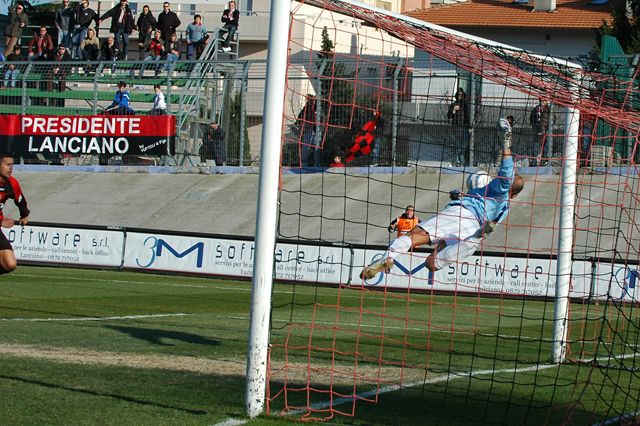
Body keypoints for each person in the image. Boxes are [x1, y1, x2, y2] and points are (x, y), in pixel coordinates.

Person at [360, 117, 524, 279]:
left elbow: (506, 174)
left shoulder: (498, 189)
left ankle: (388, 257)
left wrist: (505, 145)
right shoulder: (504, 208)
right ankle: (477, 236)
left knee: (415, 235)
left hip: (460, 215)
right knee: (431, 264)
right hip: (472, 232)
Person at [0, 152, 30, 275]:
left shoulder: (11, 183)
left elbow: (20, 199)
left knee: (10, 264)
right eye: (7, 165)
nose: (11, 168)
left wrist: (24, 214)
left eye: (12, 165)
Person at [447, 87, 471, 167]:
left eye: (461, 95)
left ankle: (463, 162)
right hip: (456, 128)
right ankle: (459, 162)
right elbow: (449, 116)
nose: (460, 96)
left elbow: (468, 115)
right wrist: (453, 110)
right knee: (458, 146)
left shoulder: (466, 105)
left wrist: (469, 126)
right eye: (458, 95)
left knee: (464, 146)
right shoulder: (453, 104)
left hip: (464, 128)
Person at [296, 94, 316, 166]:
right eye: (311, 100)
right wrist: (302, 125)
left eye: (313, 100)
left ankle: (315, 163)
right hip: (308, 129)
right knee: (306, 148)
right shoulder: (306, 109)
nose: (312, 101)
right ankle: (304, 164)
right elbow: (298, 119)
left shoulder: (317, 108)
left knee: (316, 148)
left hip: (316, 130)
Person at [529, 99, 550, 166]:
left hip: (546, 131)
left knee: (545, 146)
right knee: (536, 146)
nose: (542, 102)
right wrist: (535, 129)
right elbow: (531, 119)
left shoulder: (549, 110)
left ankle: (544, 161)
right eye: (541, 101)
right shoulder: (536, 109)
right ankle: (534, 161)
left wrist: (546, 129)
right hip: (537, 131)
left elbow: (552, 119)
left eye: (544, 101)